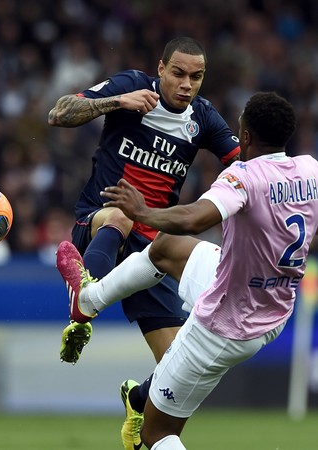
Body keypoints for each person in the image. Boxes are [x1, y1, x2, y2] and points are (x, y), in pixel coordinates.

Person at [57, 91, 314, 449]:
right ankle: (89, 300)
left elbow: (194, 217)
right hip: (271, 304)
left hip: (224, 324)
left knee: (156, 432)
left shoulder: (244, 177)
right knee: (167, 247)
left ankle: (142, 402)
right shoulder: (310, 169)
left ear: (246, 136)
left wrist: (142, 212)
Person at [48, 36, 239, 450]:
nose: (187, 84)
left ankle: (138, 401)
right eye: (178, 73)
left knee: (181, 363)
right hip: (98, 223)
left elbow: (245, 168)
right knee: (120, 214)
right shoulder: (130, 86)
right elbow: (58, 113)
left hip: (153, 250)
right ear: (160, 68)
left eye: (196, 76)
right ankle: (85, 295)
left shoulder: (203, 118)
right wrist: (116, 103)